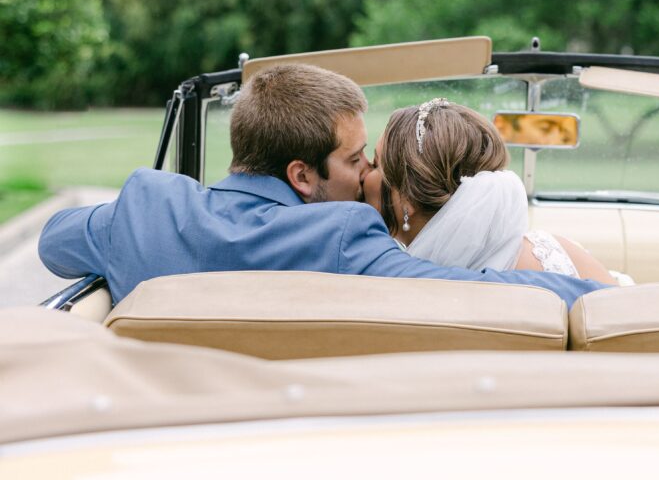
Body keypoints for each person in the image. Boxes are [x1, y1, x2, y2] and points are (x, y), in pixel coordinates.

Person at [38, 65, 607, 306]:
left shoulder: (146, 204)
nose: (366, 176)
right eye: (356, 159)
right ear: (302, 175)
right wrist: (603, 299)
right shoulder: (340, 237)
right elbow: (462, 290)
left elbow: (53, 241)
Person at [363, 98, 622, 284]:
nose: (364, 172)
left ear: (407, 199)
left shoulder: (386, 280)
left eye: (375, 163)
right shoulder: (559, 255)